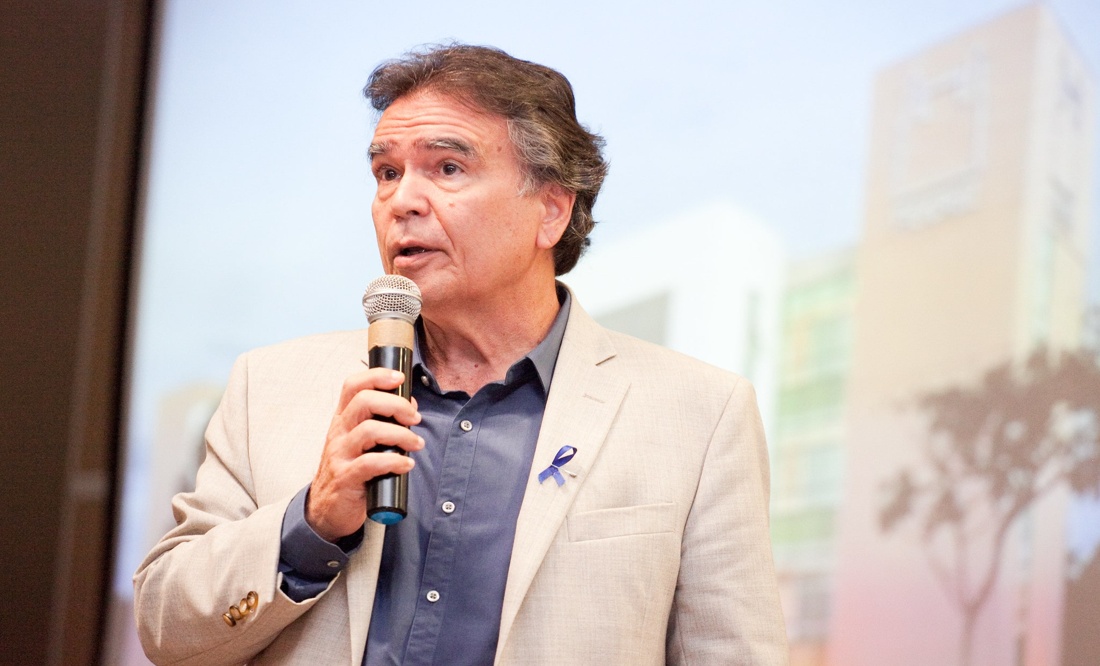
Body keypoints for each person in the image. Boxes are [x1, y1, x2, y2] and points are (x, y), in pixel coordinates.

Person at [134, 44, 788, 665]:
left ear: (551, 211)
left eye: (447, 168)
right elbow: (166, 628)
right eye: (387, 173)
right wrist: (310, 524)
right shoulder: (268, 386)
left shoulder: (698, 414)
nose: (402, 202)